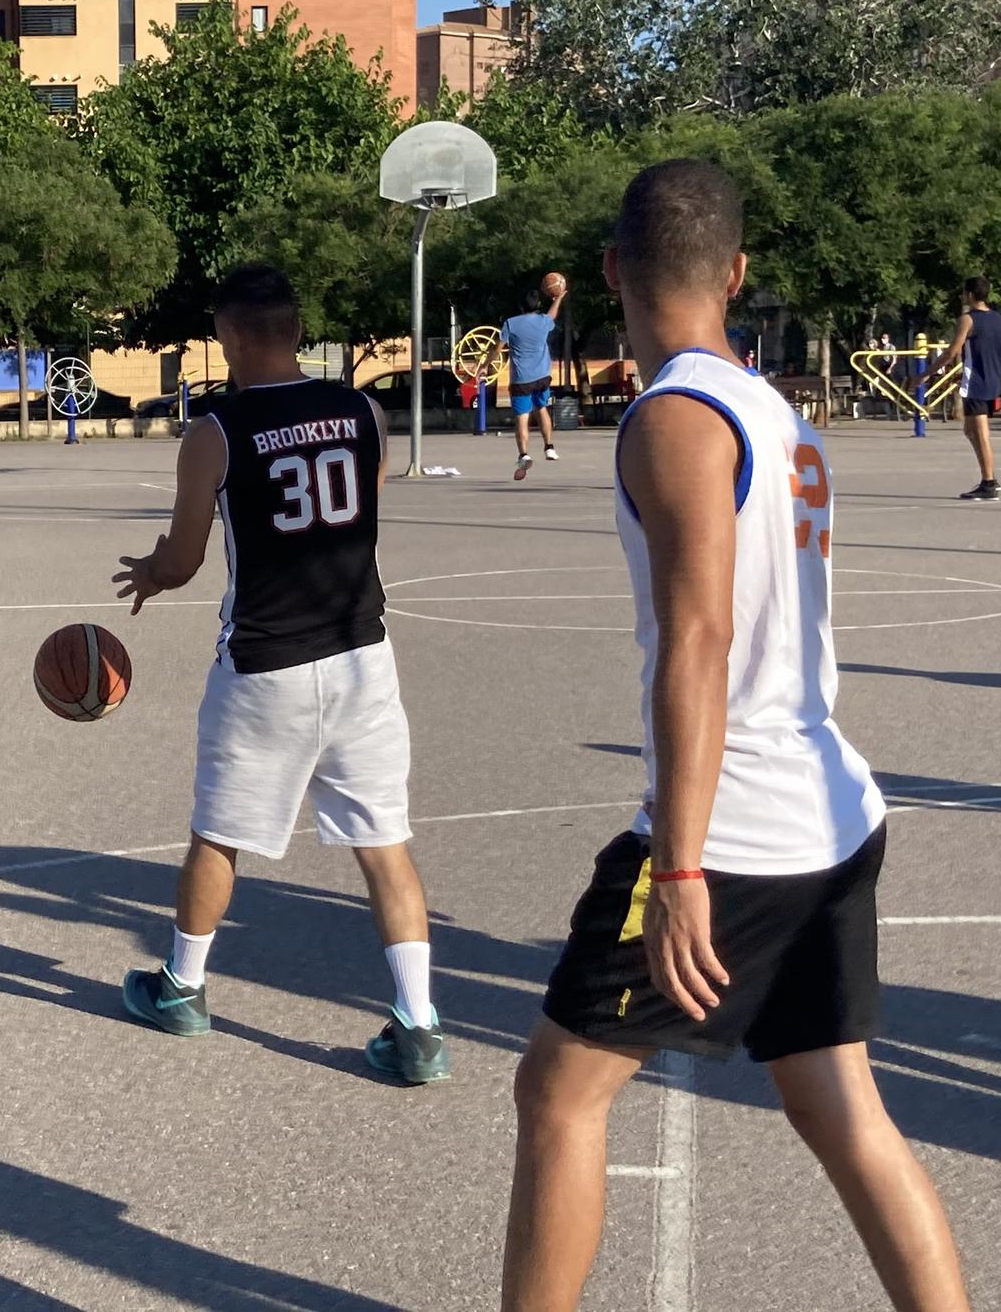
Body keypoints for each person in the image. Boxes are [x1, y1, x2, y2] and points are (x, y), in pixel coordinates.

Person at [501, 163, 968, 1312]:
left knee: (557, 1095)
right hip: (828, 807)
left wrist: (682, 863)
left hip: (739, 821)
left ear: (609, 270)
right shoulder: (776, 412)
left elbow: (698, 641)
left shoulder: (674, 417)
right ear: (737, 275)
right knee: (838, 1105)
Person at [111, 264, 448, 1084]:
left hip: (267, 665)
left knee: (218, 835)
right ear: (298, 329)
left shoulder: (216, 433)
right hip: (362, 654)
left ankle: (182, 988)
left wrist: (152, 573)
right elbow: (361, 518)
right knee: (385, 844)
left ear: (228, 335)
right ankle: (419, 1025)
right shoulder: (363, 411)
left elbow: (187, 558)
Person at [490, 279, 566, 480]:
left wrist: (484, 365)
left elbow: (498, 349)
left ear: (520, 306)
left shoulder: (511, 324)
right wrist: (558, 298)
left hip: (521, 379)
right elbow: (552, 314)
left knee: (522, 418)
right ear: (537, 305)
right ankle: (549, 447)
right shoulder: (543, 321)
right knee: (542, 409)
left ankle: (524, 454)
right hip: (542, 376)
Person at [940, 277, 1001, 502]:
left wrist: (924, 375)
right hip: (992, 380)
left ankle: (989, 482)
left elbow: (951, 351)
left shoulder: (967, 319)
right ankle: (988, 478)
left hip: (977, 383)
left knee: (981, 433)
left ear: (971, 295)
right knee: (969, 430)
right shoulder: (997, 319)